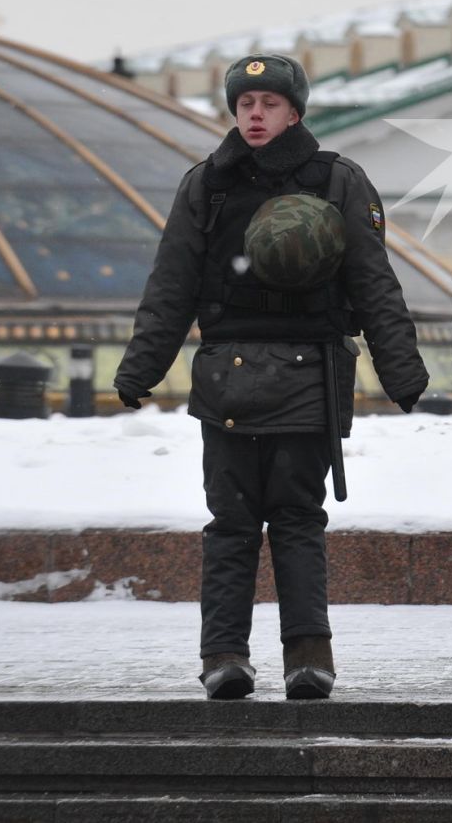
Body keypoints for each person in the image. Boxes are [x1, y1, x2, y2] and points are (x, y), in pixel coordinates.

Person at [114, 53, 430, 700]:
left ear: (295, 112)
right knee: (230, 523)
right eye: (245, 105)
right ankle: (224, 657)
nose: (255, 116)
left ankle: (308, 658)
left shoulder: (338, 180)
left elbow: (374, 285)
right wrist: (139, 367)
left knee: (295, 518)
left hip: (308, 379)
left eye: (269, 104)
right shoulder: (206, 185)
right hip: (228, 382)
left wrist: (405, 374)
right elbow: (170, 286)